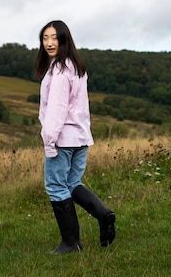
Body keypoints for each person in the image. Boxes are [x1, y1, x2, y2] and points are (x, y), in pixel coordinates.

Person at [35, 20, 116, 254]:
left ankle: (71, 243)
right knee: (72, 183)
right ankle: (103, 215)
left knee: (56, 187)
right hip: (81, 137)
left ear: (64, 39)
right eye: (45, 38)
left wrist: (49, 141)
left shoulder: (59, 71)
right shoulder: (76, 66)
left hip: (63, 138)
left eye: (54, 38)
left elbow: (57, 109)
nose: (49, 43)